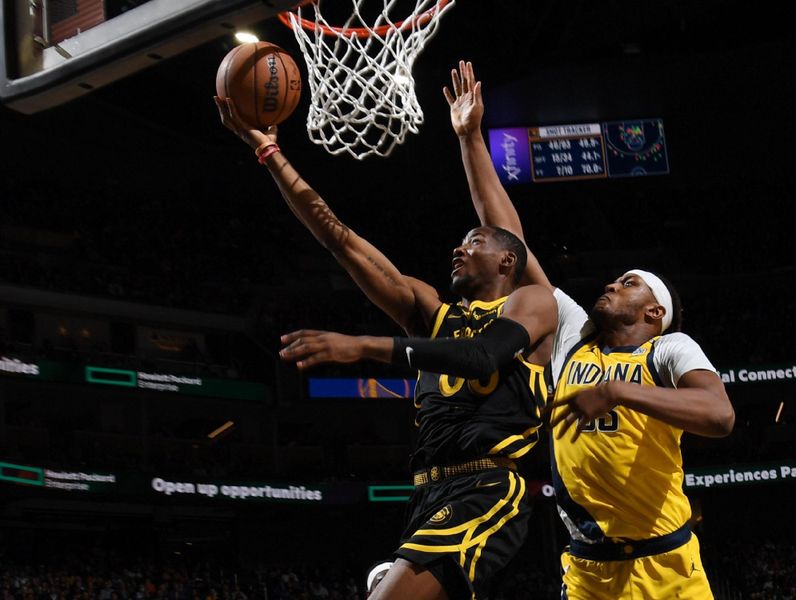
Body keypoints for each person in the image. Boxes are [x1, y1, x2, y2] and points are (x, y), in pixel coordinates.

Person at [214, 72, 558, 600]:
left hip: (488, 487)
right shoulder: (430, 311)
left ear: (508, 260)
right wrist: (269, 154)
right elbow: (339, 238)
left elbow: (485, 357)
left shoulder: (533, 303)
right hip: (427, 491)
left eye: (473, 241)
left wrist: (365, 346)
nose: (458, 249)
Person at [445, 60, 735, 599]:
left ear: (654, 314)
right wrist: (470, 139)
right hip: (587, 573)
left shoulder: (669, 349)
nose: (612, 284)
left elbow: (719, 416)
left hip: (668, 570)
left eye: (630, 284)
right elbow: (510, 241)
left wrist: (618, 391)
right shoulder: (574, 333)